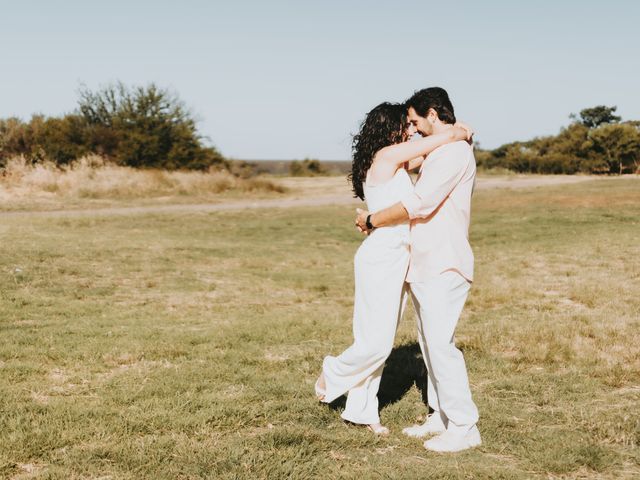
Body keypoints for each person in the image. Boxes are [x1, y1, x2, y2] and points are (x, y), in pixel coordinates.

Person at [315, 101, 472, 435]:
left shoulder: (397, 161)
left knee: (379, 337)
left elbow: (431, 154)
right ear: (392, 128)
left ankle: (361, 411)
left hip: (401, 256)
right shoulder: (386, 156)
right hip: (382, 256)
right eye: (407, 125)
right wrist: (457, 131)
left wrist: (458, 134)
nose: (412, 130)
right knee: (375, 342)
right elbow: (435, 144)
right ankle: (334, 372)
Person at [355, 87, 481, 452]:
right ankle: (440, 416)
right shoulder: (444, 148)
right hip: (425, 261)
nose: (411, 129)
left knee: (440, 345)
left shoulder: (453, 153)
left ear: (431, 114)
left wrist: (373, 219)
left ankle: (464, 425)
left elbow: (419, 203)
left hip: (444, 259)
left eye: (413, 121)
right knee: (428, 345)